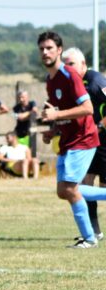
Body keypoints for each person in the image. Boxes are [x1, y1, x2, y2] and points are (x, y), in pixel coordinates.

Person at [38, 31, 101, 249]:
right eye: (42, 49)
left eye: (49, 48)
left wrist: (56, 116)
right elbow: (64, 110)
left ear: (59, 50)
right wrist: (53, 129)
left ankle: (90, 238)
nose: (45, 52)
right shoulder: (50, 80)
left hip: (83, 139)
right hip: (67, 139)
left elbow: (87, 108)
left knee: (69, 188)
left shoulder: (70, 75)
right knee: (64, 190)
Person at [61, 46, 106, 241]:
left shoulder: (96, 81)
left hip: (104, 142)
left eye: (71, 64)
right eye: (65, 65)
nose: (68, 68)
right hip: (88, 143)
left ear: (83, 64)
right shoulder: (72, 83)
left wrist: (100, 127)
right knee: (85, 183)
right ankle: (94, 231)